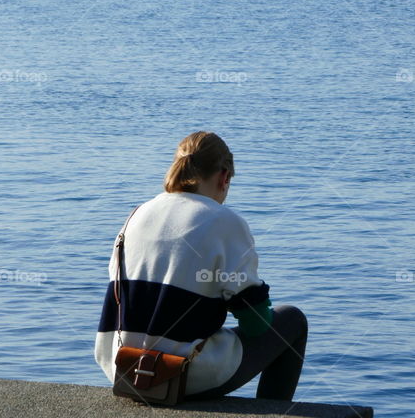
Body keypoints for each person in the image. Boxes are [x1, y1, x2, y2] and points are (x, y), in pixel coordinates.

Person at [95, 132, 307, 401]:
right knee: (293, 321)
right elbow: (256, 324)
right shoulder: (225, 222)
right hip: (183, 374)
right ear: (224, 177)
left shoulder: (136, 215)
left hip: (121, 366)